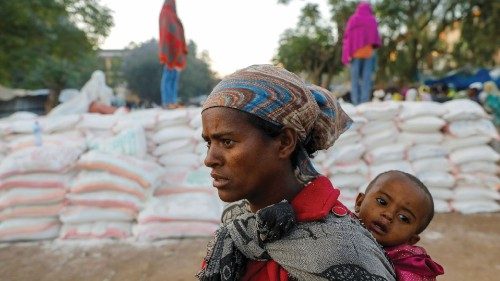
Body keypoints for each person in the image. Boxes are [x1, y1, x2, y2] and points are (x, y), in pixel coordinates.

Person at [197, 64, 396, 280]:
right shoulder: (240, 225)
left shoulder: (340, 248)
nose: (209, 160)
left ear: (284, 142)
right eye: (209, 143)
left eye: (227, 142)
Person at [354, 170, 445, 281]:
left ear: (411, 239)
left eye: (403, 218)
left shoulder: (412, 269)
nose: (388, 215)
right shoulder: (335, 225)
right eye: (382, 201)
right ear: (359, 202)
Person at [342, 1, 381, 105]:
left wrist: (347, 52)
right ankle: (364, 102)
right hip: (368, 53)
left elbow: (347, 37)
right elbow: (375, 37)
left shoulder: (353, 19)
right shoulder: (372, 20)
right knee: (366, 79)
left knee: (355, 79)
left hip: (356, 53)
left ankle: (356, 102)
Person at [158, 0, 187, 108]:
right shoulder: (165, 13)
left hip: (176, 51)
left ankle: (173, 101)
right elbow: (165, 33)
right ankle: (167, 102)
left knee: (175, 76)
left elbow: (178, 33)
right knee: (168, 76)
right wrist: (167, 51)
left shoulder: (174, 16)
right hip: (169, 50)